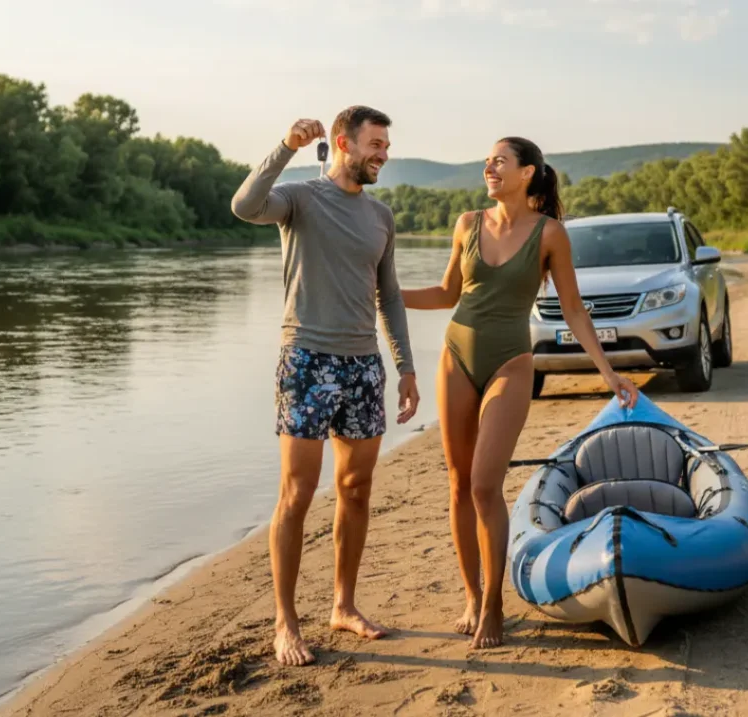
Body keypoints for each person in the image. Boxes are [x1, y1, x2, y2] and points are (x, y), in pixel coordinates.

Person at [400, 136, 639, 649]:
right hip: (455, 357)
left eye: (500, 161)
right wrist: (384, 294)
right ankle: (471, 594)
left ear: (527, 172)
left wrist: (609, 372)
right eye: (487, 160)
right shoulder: (467, 224)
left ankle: (494, 604)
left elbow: (574, 310)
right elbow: (447, 294)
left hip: (511, 360)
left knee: (486, 483)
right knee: (459, 482)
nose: (489, 166)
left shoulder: (549, 234)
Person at [230, 106, 420, 666]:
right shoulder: (301, 199)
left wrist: (405, 368)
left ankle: (343, 604)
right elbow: (244, 207)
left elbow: (389, 297)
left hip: (363, 366)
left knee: (356, 488)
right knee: (297, 493)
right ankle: (285, 621)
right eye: (376, 144)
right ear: (344, 143)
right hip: (307, 360)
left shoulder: (381, 217)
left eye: (387, 145)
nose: (383, 153)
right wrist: (284, 146)